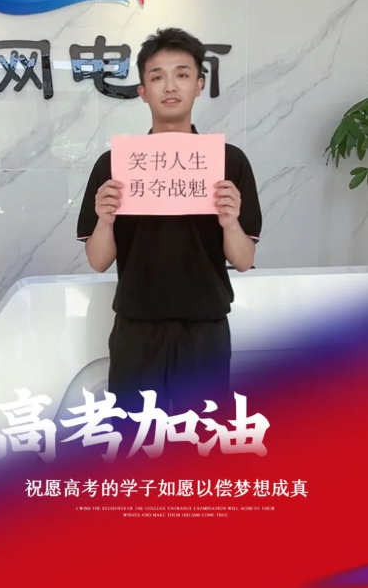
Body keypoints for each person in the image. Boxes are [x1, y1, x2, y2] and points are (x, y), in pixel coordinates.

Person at [76, 28, 262, 423]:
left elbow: (244, 260)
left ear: (199, 85)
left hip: (205, 330)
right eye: (157, 76)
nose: (170, 86)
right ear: (143, 91)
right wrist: (105, 220)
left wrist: (231, 223)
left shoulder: (229, 162)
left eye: (182, 74)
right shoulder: (115, 165)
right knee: (135, 440)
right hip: (136, 330)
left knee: (203, 440)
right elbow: (97, 260)